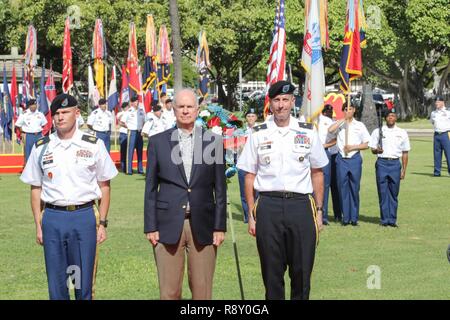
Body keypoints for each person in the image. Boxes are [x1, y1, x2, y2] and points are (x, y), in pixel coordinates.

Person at [19, 93, 118, 300]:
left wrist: (103, 223)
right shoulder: (41, 147)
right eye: (56, 113)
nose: (60, 117)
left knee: (83, 285)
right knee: (57, 285)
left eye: (65, 112)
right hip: (53, 218)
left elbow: (105, 186)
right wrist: (38, 224)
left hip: (83, 217)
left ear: (77, 113)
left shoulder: (92, 144)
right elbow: (35, 188)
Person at [237, 80, 328, 300]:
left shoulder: (307, 132)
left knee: (302, 273)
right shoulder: (259, 133)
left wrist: (318, 210)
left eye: (285, 100)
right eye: (276, 100)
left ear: (292, 102)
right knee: (271, 274)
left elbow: (317, 172)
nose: (281, 105)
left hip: (301, 206)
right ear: (270, 103)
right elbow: (249, 175)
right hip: (268, 206)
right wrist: (251, 213)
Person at [144, 88, 226, 300]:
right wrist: (151, 226)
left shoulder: (213, 142)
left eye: (190, 107)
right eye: (181, 106)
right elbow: (150, 188)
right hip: (167, 224)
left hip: (204, 224)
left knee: (202, 292)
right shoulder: (158, 142)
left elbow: (220, 188)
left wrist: (219, 226)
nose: (185, 111)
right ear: (174, 109)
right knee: (169, 292)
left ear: (197, 110)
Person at [328, 101, 370, 226]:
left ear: (354, 110)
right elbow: (330, 130)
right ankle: (345, 217)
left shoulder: (360, 125)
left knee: (354, 188)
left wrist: (352, 147)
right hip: (342, 160)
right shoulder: (339, 124)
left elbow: (367, 144)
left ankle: (354, 217)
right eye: (345, 109)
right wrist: (343, 120)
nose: (348, 111)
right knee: (342, 188)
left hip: (354, 158)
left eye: (350, 109)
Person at [369, 108, 410, 227]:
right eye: (388, 116)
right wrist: (377, 150)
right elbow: (372, 149)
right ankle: (384, 219)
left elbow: (405, 152)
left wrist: (404, 170)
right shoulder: (378, 131)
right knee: (382, 192)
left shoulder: (402, 132)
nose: (390, 118)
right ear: (385, 118)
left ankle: (392, 219)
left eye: (393, 115)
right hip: (382, 163)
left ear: (396, 117)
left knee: (393, 193)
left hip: (395, 164)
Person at [317, 105, 339, 225]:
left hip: (325, 153)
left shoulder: (327, 121)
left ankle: (323, 215)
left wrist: (324, 146)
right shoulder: (306, 119)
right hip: (308, 154)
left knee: (324, 186)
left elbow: (336, 139)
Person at [237, 108, 258, 223]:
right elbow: (234, 148)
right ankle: (247, 216)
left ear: (256, 117)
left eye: (253, 116)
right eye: (248, 116)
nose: (250, 118)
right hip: (243, 164)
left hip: (256, 165)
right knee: (244, 192)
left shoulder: (260, 130)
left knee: (257, 192)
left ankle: (257, 214)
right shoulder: (240, 131)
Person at [120, 95, 145, 175]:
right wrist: (128, 127)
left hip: (139, 132)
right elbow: (121, 122)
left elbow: (144, 121)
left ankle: (140, 169)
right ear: (131, 103)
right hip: (132, 132)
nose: (137, 103)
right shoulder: (129, 111)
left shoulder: (141, 111)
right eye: (135, 101)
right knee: (130, 151)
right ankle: (129, 170)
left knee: (140, 151)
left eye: (137, 101)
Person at [430, 95, 450, 177]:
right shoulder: (433, 113)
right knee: (437, 154)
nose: (436, 103)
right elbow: (432, 122)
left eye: (438, 102)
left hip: (446, 134)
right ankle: (437, 172)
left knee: (448, 154)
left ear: (442, 102)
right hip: (437, 135)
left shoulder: (448, 112)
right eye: (435, 102)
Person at [116, 102, 130, 172]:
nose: (128, 108)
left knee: (129, 151)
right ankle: (123, 167)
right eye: (127, 106)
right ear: (125, 107)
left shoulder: (130, 113)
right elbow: (119, 121)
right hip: (123, 133)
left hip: (129, 133)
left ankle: (128, 167)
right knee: (123, 151)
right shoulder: (120, 113)